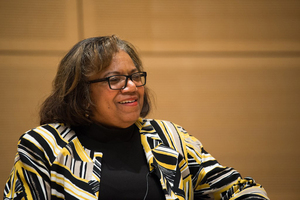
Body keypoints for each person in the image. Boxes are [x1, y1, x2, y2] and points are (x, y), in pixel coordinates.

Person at [3, 35, 269, 200]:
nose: (131, 86)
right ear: (82, 93)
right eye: (114, 79)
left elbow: (240, 189)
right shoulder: (45, 145)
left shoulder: (170, 138)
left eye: (134, 76)